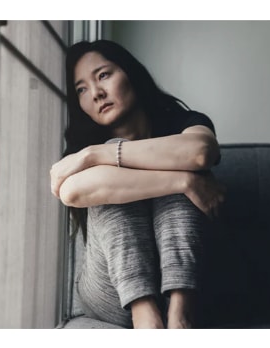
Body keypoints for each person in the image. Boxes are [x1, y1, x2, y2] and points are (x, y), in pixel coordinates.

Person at [51, 40, 225, 329]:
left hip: (192, 280)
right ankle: (143, 311)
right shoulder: (83, 147)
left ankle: (181, 311)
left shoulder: (182, 123)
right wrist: (183, 181)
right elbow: (73, 190)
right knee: (172, 171)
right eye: (81, 89)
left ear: (130, 73)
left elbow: (200, 152)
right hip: (110, 290)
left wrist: (99, 155)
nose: (96, 94)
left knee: (177, 158)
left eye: (103, 75)